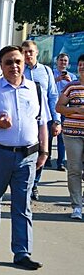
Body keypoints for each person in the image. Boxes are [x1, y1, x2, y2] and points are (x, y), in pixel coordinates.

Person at [0, 45, 49, 270]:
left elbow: (42, 121)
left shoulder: (35, 89)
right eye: (8, 62)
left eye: (17, 61)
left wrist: (44, 151)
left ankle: (22, 252)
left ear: (24, 62)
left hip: (27, 156)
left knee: (22, 205)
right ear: (1, 66)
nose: (14, 66)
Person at [22, 40, 61, 200]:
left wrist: (57, 120)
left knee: (43, 152)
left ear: (36, 52)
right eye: (24, 52)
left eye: (30, 51)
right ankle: (24, 183)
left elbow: (53, 96)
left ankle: (35, 183)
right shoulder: (19, 71)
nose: (28, 54)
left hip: (44, 120)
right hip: (25, 119)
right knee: (25, 152)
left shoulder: (46, 71)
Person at [55, 53, 84, 220]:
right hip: (72, 134)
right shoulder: (71, 87)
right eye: (80, 64)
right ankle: (76, 206)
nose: (82, 67)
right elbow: (59, 107)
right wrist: (75, 110)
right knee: (74, 169)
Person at [52, 53, 77, 170]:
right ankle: (46, 158)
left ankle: (60, 162)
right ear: (57, 62)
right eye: (61, 60)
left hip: (64, 108)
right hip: (51, 107)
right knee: (47, 134)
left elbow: (76, 90)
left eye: (65, 61)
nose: (63, 62)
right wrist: (57, 79)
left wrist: (70, 81)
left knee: (62, 137)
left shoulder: (72, 76)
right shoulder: (50, 74)